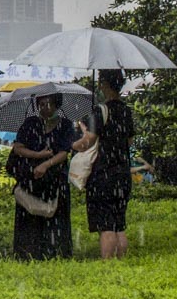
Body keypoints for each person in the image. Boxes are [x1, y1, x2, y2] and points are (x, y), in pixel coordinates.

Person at [72, 69, 135, 260]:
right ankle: (120, 261)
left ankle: (107, 266)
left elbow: (89, 141)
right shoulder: (125, 110)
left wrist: (74, 142)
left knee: (106, 226)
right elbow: (129, 141)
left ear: (105, 85)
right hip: (122, 173)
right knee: (119, 224)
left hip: (103, 174)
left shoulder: (100, 110)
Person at [10, 93, 78, 260]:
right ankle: (29, 253)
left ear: (56, 105)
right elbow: (18, 148)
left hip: (55, 179)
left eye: (48, 104)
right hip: (30, 179)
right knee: (29, 217)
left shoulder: (66, 125)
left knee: (57, 217)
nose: (44, 107)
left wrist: (46, 164)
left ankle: (56, 252)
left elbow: (64, 153)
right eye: (41, 104)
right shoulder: (30, 123)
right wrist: (38, 155)